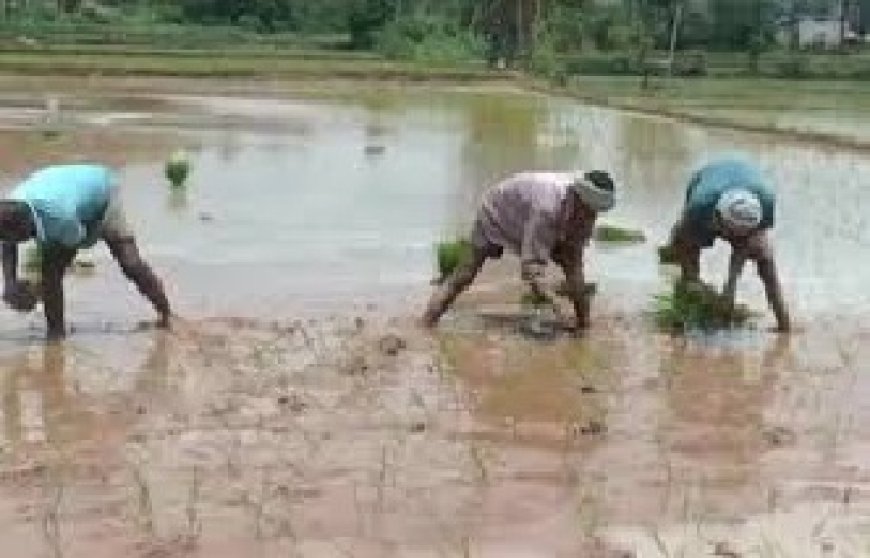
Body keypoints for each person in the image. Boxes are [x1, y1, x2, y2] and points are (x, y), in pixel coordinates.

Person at [422, 170, 616, 330]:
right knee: (465, 273)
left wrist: (583, 321)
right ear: (580, 199)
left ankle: (583, 326)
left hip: (529, 215)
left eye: (596, 212)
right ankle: (427, 323)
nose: (592, 216)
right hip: (497, 211)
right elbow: (531, 266)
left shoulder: (585, 212)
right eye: (589, 211)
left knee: (572, 268)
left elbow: (575, 265)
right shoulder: (547, 208)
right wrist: (555, 304)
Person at [0, 164, 171, 340]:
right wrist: (10, 283)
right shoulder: (11, 207)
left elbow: (81, 240)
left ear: (26, 228)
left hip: (103, 194)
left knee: (130, 263)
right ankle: (56, 333)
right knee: (50, 274)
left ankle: (166, 313)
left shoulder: (60, 217)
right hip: (67, 188)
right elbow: (7, 243)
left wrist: (40, 289)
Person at [660, 157, 791, 332]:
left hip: (750, 185)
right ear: (718, 218)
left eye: (740, 236)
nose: (734, 240)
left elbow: (746, 247)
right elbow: (686, 242)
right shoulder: (700, 205)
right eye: (730, 233)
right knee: (687, 255)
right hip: (708, 179)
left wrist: (730, 287)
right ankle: (679, 320)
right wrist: (693, 281)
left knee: (765, 260)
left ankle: (784, 322)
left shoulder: (765, 203)